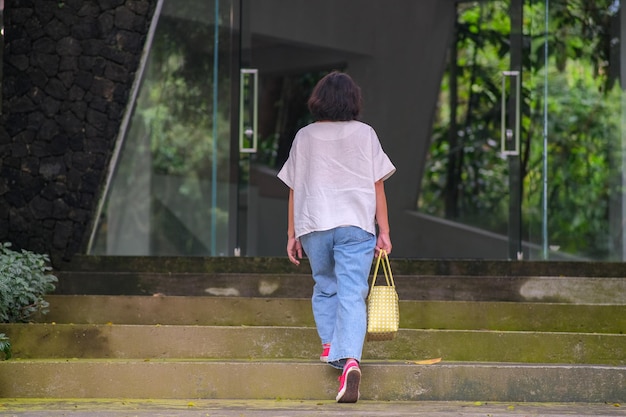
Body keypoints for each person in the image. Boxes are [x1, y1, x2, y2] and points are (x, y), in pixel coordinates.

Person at [277, 71, 396, 403]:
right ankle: (350, 361)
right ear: (353, 100)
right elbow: (377, 186)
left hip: (314, 223)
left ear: (319, 100)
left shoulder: (304, 137)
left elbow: (294, 189)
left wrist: (291, 233)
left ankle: (331, 345)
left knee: (325, 286)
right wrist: (383, 230)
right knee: (352, 292)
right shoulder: (365, 134)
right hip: (355, 225)